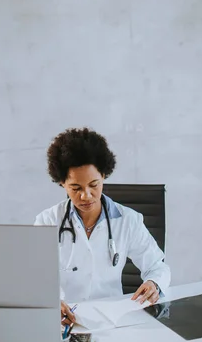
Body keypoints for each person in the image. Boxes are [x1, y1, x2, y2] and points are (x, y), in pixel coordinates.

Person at [34, 127, 171, 325]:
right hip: (64, 322)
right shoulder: (47, 222)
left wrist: (154, 283)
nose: (86, 195)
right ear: (62, 182)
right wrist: (51, 302)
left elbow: (157, 266)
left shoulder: (128, 220)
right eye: (76, 188)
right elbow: (35, 278)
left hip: (112, 321)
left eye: (94, 184)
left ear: (104, 176)